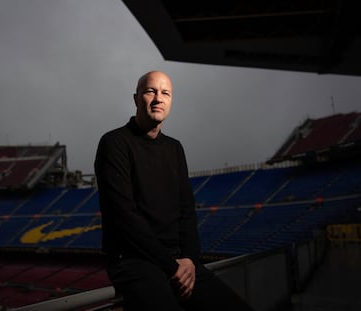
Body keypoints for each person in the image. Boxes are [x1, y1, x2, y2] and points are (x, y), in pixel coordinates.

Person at [94, 71, 254, 310]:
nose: (158, 98)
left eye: (165, 93)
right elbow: (124, 217)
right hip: (135, 260)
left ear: (171, 101)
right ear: (136, 98)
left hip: (179, 261)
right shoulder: (114, 143)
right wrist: (173, 266)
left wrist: (190, 260)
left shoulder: (175, 148)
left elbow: (187, 209)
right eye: (151, 91)